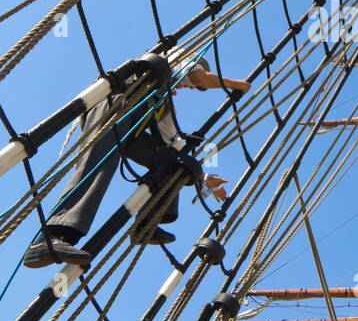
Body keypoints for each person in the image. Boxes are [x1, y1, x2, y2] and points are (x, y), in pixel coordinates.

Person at [23, 54, 250, 269]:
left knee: (176, 163)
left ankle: (148, 222)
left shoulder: (163, 103)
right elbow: (197, 77)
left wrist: (203, 179)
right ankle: (53, 237)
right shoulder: (174, 57)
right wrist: (235, 84)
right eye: (188, 84)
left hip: (131, 130)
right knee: (99, 163)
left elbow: (172, 143)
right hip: (115, 102)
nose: (186, 87)